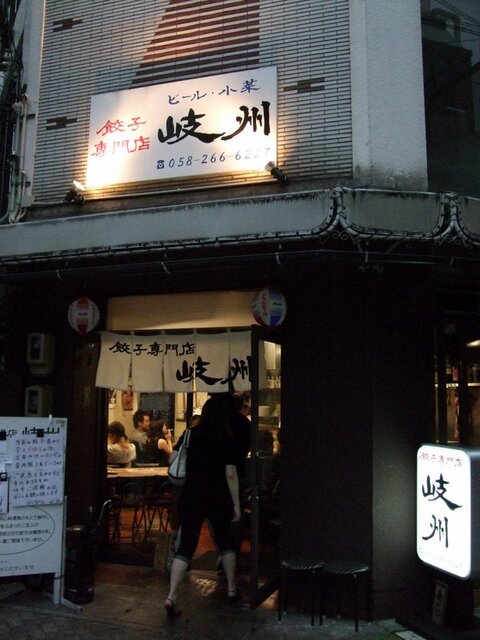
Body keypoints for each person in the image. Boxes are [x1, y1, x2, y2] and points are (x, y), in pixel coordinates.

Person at [164, 394, 241, 616]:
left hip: (192, 495)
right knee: (225, 542)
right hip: (218, 496)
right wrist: (236, 505)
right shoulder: (226, 438)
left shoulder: (190, 434)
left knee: (186, 547)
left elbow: (172, 460)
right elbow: (231, 474)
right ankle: (232, 589)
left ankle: (171, 595)